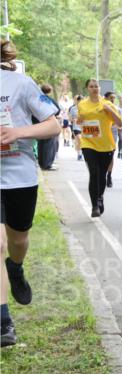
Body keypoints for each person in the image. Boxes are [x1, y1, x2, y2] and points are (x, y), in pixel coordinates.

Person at [0, 39, 61, 347]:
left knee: (18, 240)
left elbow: (54, 125)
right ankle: (3, 322)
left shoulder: (20, 83)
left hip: (19, 176)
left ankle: (15, 267)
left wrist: (18, 132)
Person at [77, 81, 122, 216]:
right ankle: (94, 206)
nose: (94, 88)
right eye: (91, 86)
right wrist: (79, 120)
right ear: (87, 89)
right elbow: (79, 121)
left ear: (100, 88)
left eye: (96, 86)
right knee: (94, 173)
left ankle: (100, 197)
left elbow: (119, 123)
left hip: (105, 145)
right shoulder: (82, 104)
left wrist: (109, 110)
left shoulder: (107, 104)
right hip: (88, 143)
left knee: (102, 175)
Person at [36, 83, 60, 171]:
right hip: (48, 123)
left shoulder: (37, 99)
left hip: (39, 123)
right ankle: (47, 164)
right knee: (49, 144)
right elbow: (57, 109)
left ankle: (41, 163)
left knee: (41, 143)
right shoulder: (49, 100)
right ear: (49, 91)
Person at [69, 95, 83, 161]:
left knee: (80, 141)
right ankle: (79, 154)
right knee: (79, 139)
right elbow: (70, 118)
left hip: (83, 127)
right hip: (76, 127)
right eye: (80, 101)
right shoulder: (73, 108)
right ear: (77, 101)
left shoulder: (85, 108)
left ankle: (80, 153)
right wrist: (73, 120)